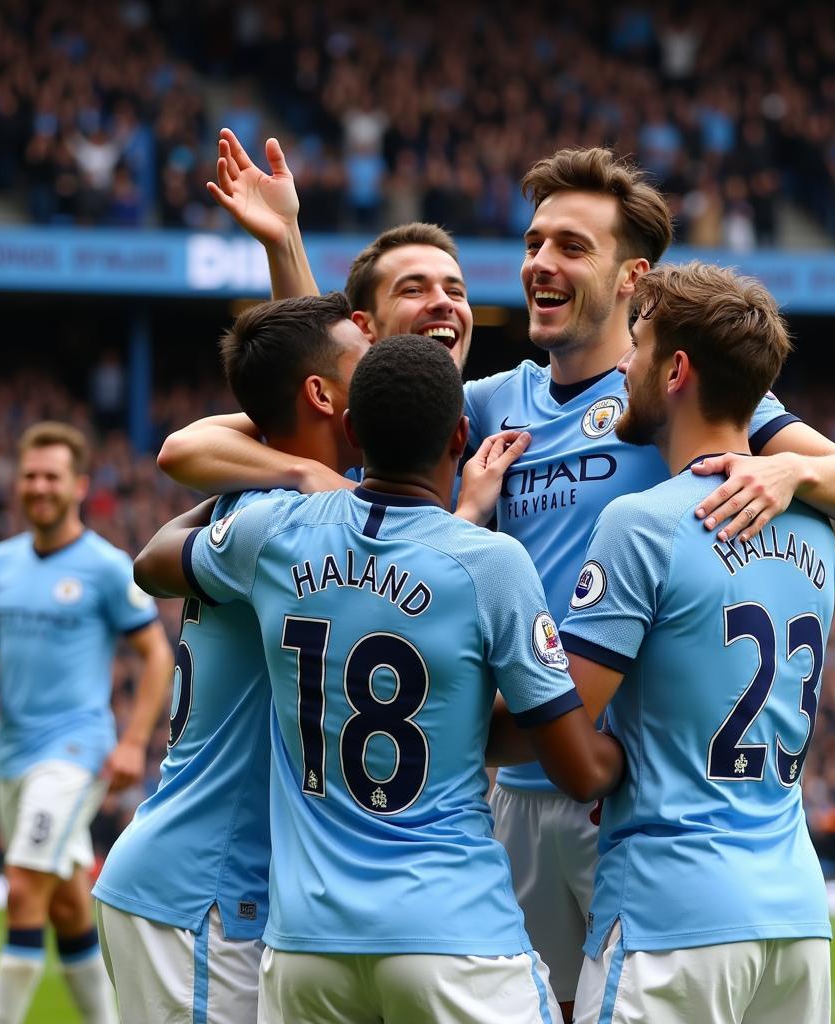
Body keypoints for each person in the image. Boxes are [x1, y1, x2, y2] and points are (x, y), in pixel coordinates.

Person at [166, 132, 835, 1017]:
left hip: (620, 792)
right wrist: (286, 249)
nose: (539, 263)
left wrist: (796, 469)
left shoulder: (662, 400)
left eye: (570, 247)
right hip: (508, 797)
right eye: (532, 243)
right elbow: (304, 408)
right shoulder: (486, 404)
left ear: (633, 282)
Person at [131, 334, 624, 1023]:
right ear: (460, 435)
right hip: (454, 938)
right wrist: (633, 749)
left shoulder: (274, 532)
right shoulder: (491, 564)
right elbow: (578, 769)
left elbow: (152, 561)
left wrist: (287, 477)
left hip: (305, 950)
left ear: (354, 431)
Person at [559, 262, 835, 1023]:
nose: (622, 361)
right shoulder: (821, 528)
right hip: (795, 919)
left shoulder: (642, 522)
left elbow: (563, 722)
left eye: (638, 343)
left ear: (676, 370)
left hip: (670, 914)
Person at [92, 295, 371, 1022]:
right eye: (364, 366)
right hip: (203, 890)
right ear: (321, 394)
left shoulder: (251, 501)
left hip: (202, 880)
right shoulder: (291, 520)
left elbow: (180, 475)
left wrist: (298, 457)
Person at [0, 421, 174, 1024]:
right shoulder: (0, 564)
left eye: (51, 476)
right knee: (67, 907)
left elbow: (157, 653)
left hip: (75, 752)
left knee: (24, 887)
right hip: (11, 755)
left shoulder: (106, 567)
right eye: (29, 475)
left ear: (79, 485)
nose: (39, 486)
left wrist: (134, 742)